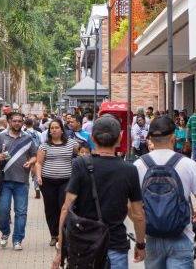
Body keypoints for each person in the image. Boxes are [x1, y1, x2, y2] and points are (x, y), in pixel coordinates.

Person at [53, 115, 146, 269]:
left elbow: (65, 209)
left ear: (92, 138)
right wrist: (141, 244)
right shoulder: (129, 170)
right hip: (116, 245)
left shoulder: (80, 164)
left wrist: (59, 251)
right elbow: (138, 215)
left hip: (84, 247)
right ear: (120, 137)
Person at [135, 116, 196, 268]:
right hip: (181, 234)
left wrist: (140, 241)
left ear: (150, 138)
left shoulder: (138, 164)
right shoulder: (188, 164)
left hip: (151, 236)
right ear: (173, 137)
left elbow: (133, 209)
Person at [0, 111, 38, 250]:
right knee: (2, 210)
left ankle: (17, 239)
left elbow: (34, 156)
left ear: (23, 122)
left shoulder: (28, 138)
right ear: (9, 122)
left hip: (22, 181)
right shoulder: (1, 136)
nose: (17, 123)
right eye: (14, 121)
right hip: (4, 180)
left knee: (21, 212)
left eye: (19, 121)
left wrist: (31, 162)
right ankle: (5, 232)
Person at [35, 119, 79, 247]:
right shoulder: (44, 145)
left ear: (62, 129)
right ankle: (54, 235)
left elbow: (83, 152)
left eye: (57, 127)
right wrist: (38, 176)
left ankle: (63, 235)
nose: (54, 130)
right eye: (52, 128)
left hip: (66, 181)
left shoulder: (71, 143)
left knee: (63, 207)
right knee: (50, 208)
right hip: (47, 181)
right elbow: (38, 162)